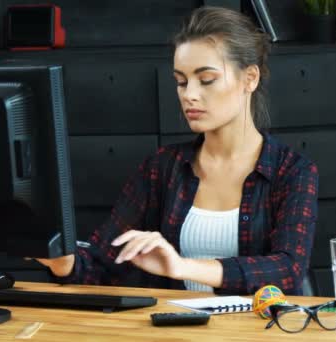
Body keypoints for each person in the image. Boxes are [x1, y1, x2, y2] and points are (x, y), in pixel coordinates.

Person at [35, 6, 319, 295]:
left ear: (250, 78)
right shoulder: (162, 168)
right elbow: (100, 264)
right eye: (181, 82)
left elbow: (288, 270)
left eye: (206, 79)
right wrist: (61, 259)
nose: (189, 94)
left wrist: (181, 266)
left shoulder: (291, 170)